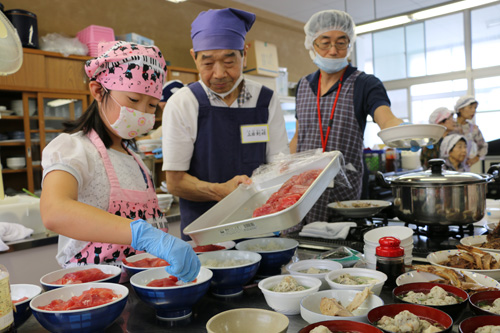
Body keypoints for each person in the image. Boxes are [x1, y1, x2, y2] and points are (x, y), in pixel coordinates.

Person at [40, 41, 200, 282]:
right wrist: (142, 234)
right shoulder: (74, 148)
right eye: (134, 100)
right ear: (97, 90)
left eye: (152, 105)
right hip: (93, 291)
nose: (143, 113)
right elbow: (54, 211)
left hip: (142, 286)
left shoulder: (134, 158)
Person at [162, 8, 289, 240]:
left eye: (229, 61)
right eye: (208, 63)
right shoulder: (183, 103)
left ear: (245, 54)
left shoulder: (266, 100)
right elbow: (175, 182)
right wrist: (219, 191)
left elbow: (279, 166)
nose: (219, 74)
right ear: (194, 57)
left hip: (261, 229)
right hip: (205, 233)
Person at [289, 10, 404, 223]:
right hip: (302, 188)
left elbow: (385, 117)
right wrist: (283, 171)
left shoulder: (365, 83)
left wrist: (402, 132)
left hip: (342, 189)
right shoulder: (303, 85)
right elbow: (298, 135)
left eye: (341, 43)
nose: (333, 51)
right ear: (311, 44)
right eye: (325, 43)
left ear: (350, 45)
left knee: (339, 244)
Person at [454, 95, 487, 171]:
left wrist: (476, 158)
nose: (473, 111)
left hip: (464, 167)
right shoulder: (450, 125)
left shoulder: (474, 129)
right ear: (460, 109)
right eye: (470, 107)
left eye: (475, 108)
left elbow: (483, 146)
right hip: (448, 165)